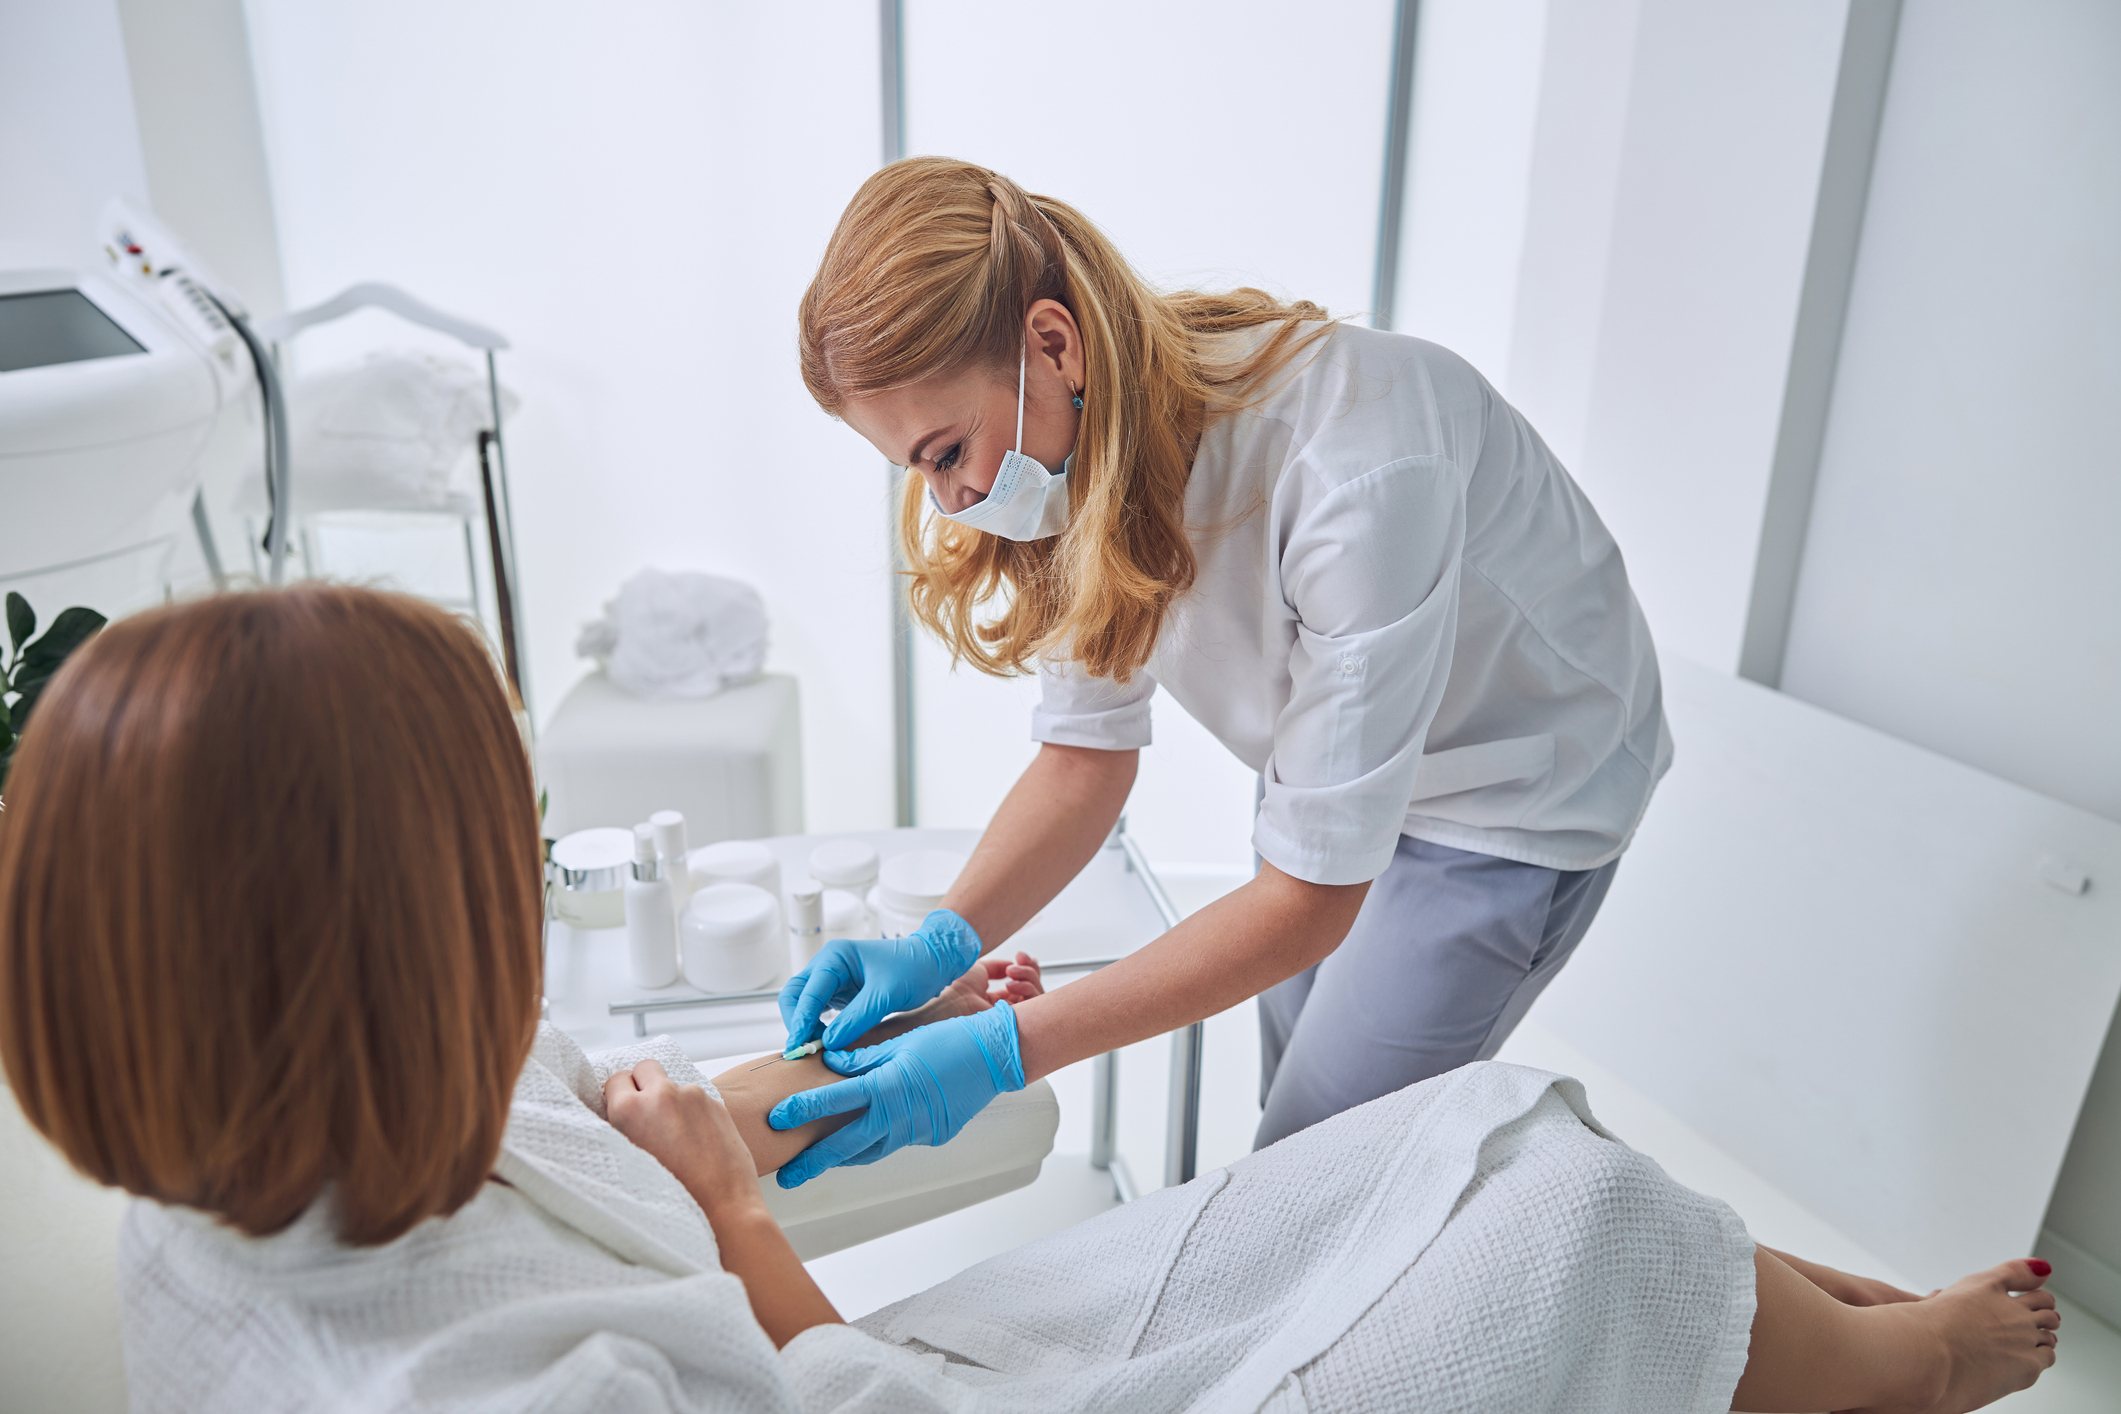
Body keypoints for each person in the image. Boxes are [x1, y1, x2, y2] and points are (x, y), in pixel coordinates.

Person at [0, 586, 2061, 1412]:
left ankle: (1804, 1317)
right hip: (859, 1380)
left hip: (830, 1353)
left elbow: (598, 1108)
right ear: (385, 959)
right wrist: (766, 1196)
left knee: (1444, 1134)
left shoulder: (221, 1180)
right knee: (1556, 1216)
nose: (534, 879)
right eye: (504, 852)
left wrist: (858, 1045)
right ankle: (1889, 1371)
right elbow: (1237, 859)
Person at [773, 156, 1671, 1184]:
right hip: (1339, 759)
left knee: (1305, 1176)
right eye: (916, 471)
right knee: (1304, 1124)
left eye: (944, 453)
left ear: (1052, 344)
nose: (949, 501)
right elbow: (1082, 760)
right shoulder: (1084, 450)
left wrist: (1006, 1050)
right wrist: (939, 940)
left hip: (1512, 782)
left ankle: (1860, 1333)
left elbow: (1306, 902)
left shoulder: (1354, 473)